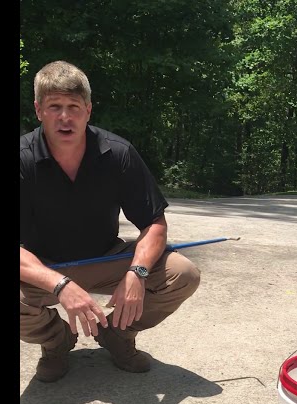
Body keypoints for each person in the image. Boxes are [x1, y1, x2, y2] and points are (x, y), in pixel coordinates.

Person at [20, 61, 201, 383]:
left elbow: (154, 224)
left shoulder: (118, 153)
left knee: (183, 274)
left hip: (105, 258)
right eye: (55, 107)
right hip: (44, 266)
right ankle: (56, 342)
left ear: (88, 110)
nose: (65, 117)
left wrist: (137, 272)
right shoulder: (23, 159)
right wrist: (60, 285)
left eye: (74, 107)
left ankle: (116, 334)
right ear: (38, 110)